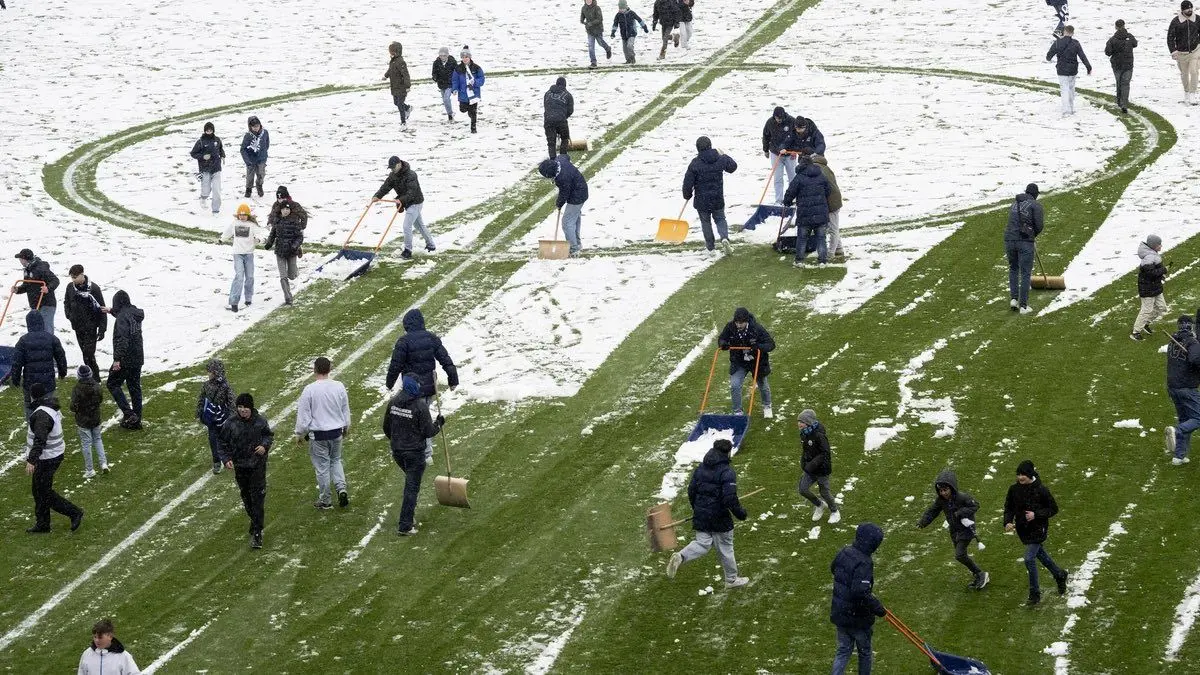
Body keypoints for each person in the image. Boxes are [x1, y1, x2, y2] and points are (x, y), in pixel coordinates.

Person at [665, 438, 750, 587]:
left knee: (702, 543)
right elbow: (730, 499)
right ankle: (731, 580)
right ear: (728, 452)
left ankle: (681, 556)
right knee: (725, 548)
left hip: (702, 515)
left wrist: (698, 509)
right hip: (719, 517)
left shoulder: (701, 468)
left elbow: (691, 490)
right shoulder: (727, 472)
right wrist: (741, 514)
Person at [383, 372, 445, 536]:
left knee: (411, 483)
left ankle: (409, 517)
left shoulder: (393, 402)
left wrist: (397, 440)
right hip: (415, 454)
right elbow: (428, 431)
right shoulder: (419, 406)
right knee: (411, 488)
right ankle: (405, 524)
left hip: (398, 452)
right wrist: (438, 424)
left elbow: (386, 427)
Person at [1004, 460, 1068, 606]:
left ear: (1030, 474)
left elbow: (1053, 509)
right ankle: (1059, 575)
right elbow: (1009, 507)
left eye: (1023, 474)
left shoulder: (1041, 490)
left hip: (1038, 529)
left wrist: (1036, 515)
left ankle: (1034, 593)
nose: (1020, 477)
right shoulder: (1014, 489)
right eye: (1018, 474)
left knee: (1029, 559)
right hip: (1023, 530)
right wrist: (1007, 522)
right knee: (1040, 554)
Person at [24, 382, 83, 534]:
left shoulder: (41, 414)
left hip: (48, 457)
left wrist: (32, 460)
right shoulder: (49, 406)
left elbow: (40, 439)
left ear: (33, 396)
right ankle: (43, 524)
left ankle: (74, 512)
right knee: (38, 490)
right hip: (52, 454)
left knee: (43, 492)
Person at [917, 469, 989, 590]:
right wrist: (923, 522)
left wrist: (961, 512)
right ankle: (978, 575)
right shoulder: (941, 500)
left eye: (945, 490)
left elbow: (975, 505)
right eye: (941, 491)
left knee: (959, 555)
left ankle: (981, 574)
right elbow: (932, 511)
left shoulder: (962, 497)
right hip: (954, 531)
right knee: (961, 555)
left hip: (966, 529)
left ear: (951, 488)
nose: (943, 493)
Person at [296, 356, 352, 510]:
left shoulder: (310, 389)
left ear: (314, 369)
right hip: (336, 433)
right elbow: (345, 409)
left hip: (319, 435)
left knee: (322, 468)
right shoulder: (339, 386)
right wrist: (346, 426)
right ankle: (341, 488)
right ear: (330, 369)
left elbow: (304, 415)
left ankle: (326, 500)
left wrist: (299, 433)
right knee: (336, 460)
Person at [829, 523, 886, 675]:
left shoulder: (845, 551)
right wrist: (878, 607)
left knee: (843, 650)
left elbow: (833, 568)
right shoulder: (864, 562)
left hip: (840, 613)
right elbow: (860, 592)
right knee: (865, 652)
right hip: (858, 618)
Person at [219, 393, 273, 549]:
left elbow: (268, 436)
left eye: (245, 407)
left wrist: (264, 446)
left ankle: (257, 533)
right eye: (240, 407)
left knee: (257, 498)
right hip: (240, 466)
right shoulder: (230, 423)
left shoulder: (260, 421)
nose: (242, 410)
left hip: (257, 466)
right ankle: (255, 521)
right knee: (246, 497)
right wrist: (226, 458)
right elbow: (222, 442)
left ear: (251, 408)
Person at [682, 135, 737, 254]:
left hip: (702, 200)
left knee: (705, 222)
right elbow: (733, 167)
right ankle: (724, 237)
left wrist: (687, 194)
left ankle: (710, 247)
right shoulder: (719, 159)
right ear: (710, 146)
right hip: (717, 198)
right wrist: (724, 155)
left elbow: (688, 182)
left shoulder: (695, 163)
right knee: (720, 219)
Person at [718, 307, 774, 418]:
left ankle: (767, 406)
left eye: (741, 323)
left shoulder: (757, 328)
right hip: (739, 362)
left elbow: (771, 344)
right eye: (737, 322)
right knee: (735, 385)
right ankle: (737, 412)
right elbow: (722, 339)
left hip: (757, 361)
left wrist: (758, 346)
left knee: (763, 385)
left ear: (746, 321)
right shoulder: (730, 327)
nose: (738, 325)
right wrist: (723, 344)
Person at [9, 310, 67, 419]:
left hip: (30, 383)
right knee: (49, 409)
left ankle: (32, 427)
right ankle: (50, 426)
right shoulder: (51, 338)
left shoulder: (23, 341)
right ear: (42, 322)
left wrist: (15, 379)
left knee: (30, 409)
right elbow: (61, 357)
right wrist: (62, 371)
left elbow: (17, 362)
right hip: (48, 382)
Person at [375, 156, 435, 259]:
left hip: (415, 202)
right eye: (391, 168)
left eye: (393, 167)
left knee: (407, 226)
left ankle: (408, 251)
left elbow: (412, 192)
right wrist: (377, 196)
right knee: (419, 225)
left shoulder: (411, 175)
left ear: (399, 164)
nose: (392, 169)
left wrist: (401, 200)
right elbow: (385, 187)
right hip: (407, 203)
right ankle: (431, 245)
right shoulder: (393, 175)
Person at [782, 155, 832, 267]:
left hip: (805, 215)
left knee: (802, 238)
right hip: (821, 214)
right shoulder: (820, 175)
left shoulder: (799, 177)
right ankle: (822, 261)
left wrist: (787, 202)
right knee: (821, 238)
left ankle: (799, 260)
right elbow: (828, 190)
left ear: (801, 164)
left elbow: (790, 192)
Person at [105, 290, 145, 430]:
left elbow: (123, 339)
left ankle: (129, 414)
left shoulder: (122, 317)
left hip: (125, 358)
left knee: (112, 383)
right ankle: (136, 420)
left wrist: (117, 359)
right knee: (134, 388)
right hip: (137, 356)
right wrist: (111, 311)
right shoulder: (135, 313)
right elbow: (125, 317)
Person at [538, 154, 589, 257]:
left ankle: (574, 249)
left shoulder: (562, 177)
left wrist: (559, 203)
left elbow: (564, 193)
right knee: (574, 218)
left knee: (567, 222)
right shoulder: (560, 160)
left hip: (577, 196)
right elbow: (566, 156)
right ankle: (577, 244)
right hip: (580, 189)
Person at [1004, 183, 1044, 314]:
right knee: (1025, 272)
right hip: (1025, 241)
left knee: (1013, 268)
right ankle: (1023, 306)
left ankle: (1014, 299)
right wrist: (1032, 236)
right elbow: (1039, 225)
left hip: (1009, 240)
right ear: (1035, 194)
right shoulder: (1036, 205)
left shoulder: (1014, 204)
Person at [1165, 315, 1200, 465]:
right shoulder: (1192, 342)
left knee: (1185, 420)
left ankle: (1179, 457)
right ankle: (1176, 430)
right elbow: (1195, 359)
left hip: (1173, 387)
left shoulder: (1173, 341)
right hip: (1186, 388)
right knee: (1197, 418)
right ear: (1191, 327)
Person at [797, 408, 841, 524]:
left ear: (808, 422)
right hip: (810, 469)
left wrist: (812, 464)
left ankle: (834, 511)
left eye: (802, 422)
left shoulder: (819, 435)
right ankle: (819, 505)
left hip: (822, 470)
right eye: (799, 421)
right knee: (802, 489)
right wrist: (803, 461)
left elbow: (825, 453)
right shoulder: (804, 434)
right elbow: (806, 450)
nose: (799, 424)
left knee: (824, 492)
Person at [62, 264, 106, 378]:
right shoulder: (70, 287)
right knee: (85, 354)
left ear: (82, 274)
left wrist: (102, 329)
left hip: (91, 327)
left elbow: (102, 308)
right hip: (77, 326)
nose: (73, 280)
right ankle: (91, 377)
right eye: (72, 277)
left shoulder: (94, 288)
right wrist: (69, 315)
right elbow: (66, 302)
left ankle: (95, 378)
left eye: (75, 277)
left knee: (88, 354)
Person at [265, 188, 306, 305]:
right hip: (280, 249)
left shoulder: (294, 206)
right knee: (283, 276)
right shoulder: (277, 211)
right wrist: (269, 242)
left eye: (282, 197)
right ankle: (288, 297)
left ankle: (298, 250)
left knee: (291, 276)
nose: (280, 200)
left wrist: (302, 227)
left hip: (293, 243)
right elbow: (272, 218)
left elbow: (304, 216)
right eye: (278, 198)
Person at [220, 203, 261, 312]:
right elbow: (227, 232)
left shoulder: (252, 225)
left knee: (250, 277)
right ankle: (234, 302)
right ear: (238, 215)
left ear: (248, 215)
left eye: (244, 215)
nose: (242, 217)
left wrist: (259, 239)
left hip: (249, 254)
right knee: (239, 276)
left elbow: (259, 234)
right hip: (238, 254)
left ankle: (248, 298)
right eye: (240, 215)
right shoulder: (235, 224)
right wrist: (222, 239)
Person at [197, 358, 234, 474]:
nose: (208, 374)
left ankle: (227, 458)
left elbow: (231, 401)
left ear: (215, 372)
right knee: (213, 439)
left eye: (210, 371)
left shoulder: (225, 386)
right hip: (212, 418)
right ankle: (216, 461)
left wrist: (232, 416)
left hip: (223, 417)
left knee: (226, 438)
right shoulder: (206, 385)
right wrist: (200, 413)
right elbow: (201, 399)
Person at [70, 365, 107, 479]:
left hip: (83, 420)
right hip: (95, 418)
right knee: (98, 440)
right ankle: (103, 463)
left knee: (86, 444)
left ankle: (90, 470)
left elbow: (73, 406)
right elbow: (100, 399)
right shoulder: (97, 386)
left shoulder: (77, 389)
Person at [1046, 26, 1092, 117]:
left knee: (1064, 89)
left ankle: (1066, 110)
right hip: (1073, 69)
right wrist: (1088, 67)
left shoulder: (1057, 42)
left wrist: (1049, 58)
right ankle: (1071, 108)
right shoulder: (1076, 43)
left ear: (1064, 32)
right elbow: (1082, 56)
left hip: (1061, 69)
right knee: (1071, 89)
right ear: (1072, 33)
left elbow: (1049, 55)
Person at [13, 248, 59, 334]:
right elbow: (27, 285)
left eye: (21, 259)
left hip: (46, 303)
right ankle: (36, 342)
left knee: (46, 328)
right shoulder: (27, 270)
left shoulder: (41, 268)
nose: (20, 261)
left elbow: (55, 280)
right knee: (35, 329)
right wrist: (18, 289)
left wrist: (47, 288)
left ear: (25, 259)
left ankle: (48, 342)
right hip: (35, 304)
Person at [1132, 234, 1168, 341]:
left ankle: (1145, 324)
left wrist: (1161, 275)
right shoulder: (1148, 257)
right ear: (1154, 246)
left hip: (1155, 287)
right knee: (1146, 310)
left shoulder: (1153, 254)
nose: (1161, 246)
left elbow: (1154, 272)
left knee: (1162, 307)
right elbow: (1150, 273)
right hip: (1147, 289)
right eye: (1159, 244)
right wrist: (1163, 270)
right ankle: (1136, 332)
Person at [811, 155, 844, 259]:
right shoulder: (826, 168)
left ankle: (831, 253)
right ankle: (839, 248)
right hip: (835, 200)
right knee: (833, 226)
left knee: (833, 228)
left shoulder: (818, 170)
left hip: (831, 202)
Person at [761, 107, 796, 204]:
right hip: (776, 153)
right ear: (774, 116)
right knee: (778, 178)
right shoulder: (770, 122)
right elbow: (766, 136)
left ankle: (792, 199)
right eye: (777, 118)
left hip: (790, 154)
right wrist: (765, 150)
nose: (778, 120)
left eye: (780, 118)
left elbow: (796, 137)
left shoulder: (792, 121)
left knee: (792, 177)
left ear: (784, 115)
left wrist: (795, 150)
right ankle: (779, 200)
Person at [190, 121, 225, 214]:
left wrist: (223, 156)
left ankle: (215, 210)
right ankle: (203, 198)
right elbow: (193, 153)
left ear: (213, 130)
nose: (209, 132)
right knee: (206, 189)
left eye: (210, 130)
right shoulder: (200, 142)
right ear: (205, 131)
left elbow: (221, 149)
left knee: (216, 190)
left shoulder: (217, 140)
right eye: (207, 130)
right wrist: (202, 156)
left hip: (216, 168)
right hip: (205, 169)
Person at [1169, 1, 1200, 104]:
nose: (1190, 10)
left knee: (1194, 71)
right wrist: (1173, 51)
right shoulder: (1176, 21)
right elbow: (1170, 37)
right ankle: (1186, 92)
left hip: (1195, 51)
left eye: (1191, 8)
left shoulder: (1197, 19)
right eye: (1187, 8)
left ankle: (1192, 94)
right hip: (1181, 53)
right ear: (1182, 10)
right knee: (1184, 74)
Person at [1104, 19, 1138, 114]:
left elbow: (1108, 52)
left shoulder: (1112, 39)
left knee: (1119, 82)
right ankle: (1124, 104)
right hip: (1128, 64)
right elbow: (1135, 44)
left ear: (1116, 27)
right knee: (1125, 84)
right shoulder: (1129, 37)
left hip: (1117, 64)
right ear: (1124, 25)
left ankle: (1119, 101)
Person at [451, 47, 485, 134]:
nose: (465, 59)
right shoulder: (458, 69)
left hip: (474, 94)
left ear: (470, 57)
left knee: (473, 112)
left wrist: (475, 82)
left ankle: (473, 128)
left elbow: (482, 79)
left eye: (466, 57)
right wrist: (455, 89)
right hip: (463, 94)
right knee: (463, 109)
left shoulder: (476, 68)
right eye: (463, 57)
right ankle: (469, 112)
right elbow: (455, 80)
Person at [383, 41, 413, 128]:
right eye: (390, 51)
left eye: (391, 51)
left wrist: (407, 86)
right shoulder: (393, 61)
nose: (390, 53)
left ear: (396, 52)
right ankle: (408, 108)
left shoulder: (401, 62)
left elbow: (406, 74)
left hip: (402, 87)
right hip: (394, 86)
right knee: (396, 102)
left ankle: (403, 123)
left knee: (400, 104)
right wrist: (386, 76)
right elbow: (390, 70)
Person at [543, 77, 574, 159]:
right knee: (564, 138)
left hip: (548, 120)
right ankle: (563, 159)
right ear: (565, 85)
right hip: (561, 120)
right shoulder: (568, 95)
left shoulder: (547, 93)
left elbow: (546, 107)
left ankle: (553, 160)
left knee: (551, 142)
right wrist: (563, 116)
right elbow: (570, 111)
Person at [239, 115, 269, 198]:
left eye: (257, 126)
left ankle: (259, 186)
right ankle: (248, 189)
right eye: (254, 127)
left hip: (261, 159)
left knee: (261, 174)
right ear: (250, 127)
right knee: (250, 176)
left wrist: (263, 153)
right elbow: (243, 149)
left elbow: (267, 143)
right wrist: (247, 161)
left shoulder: (265, 133)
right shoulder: (248, 136)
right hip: (251, 160)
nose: (256, 128)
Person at [581, 0, 613, 68]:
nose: (588, 1)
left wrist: (591, 23)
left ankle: (608, 49)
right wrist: (582, 21)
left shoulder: (597, 8)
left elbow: (600, 19)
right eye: (587, 0)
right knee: (591, 47)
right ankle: (593, 62)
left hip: (598, 30)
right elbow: (582, 17)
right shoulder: (584, 8)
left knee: (600, 43)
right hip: (590, 31)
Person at [432, 47, 458, 122]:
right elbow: (434, 73)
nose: (442, 57)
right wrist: (435, 78)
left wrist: (455, 84)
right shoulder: (436, 63)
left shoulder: (452, 62)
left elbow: (457, 73)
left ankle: (450, 114)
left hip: (450, 84)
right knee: (445, 101)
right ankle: (450, 116)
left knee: (446, 98)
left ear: (447, 55)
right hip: (441, 84)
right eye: (441, 55)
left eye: (444, 55)